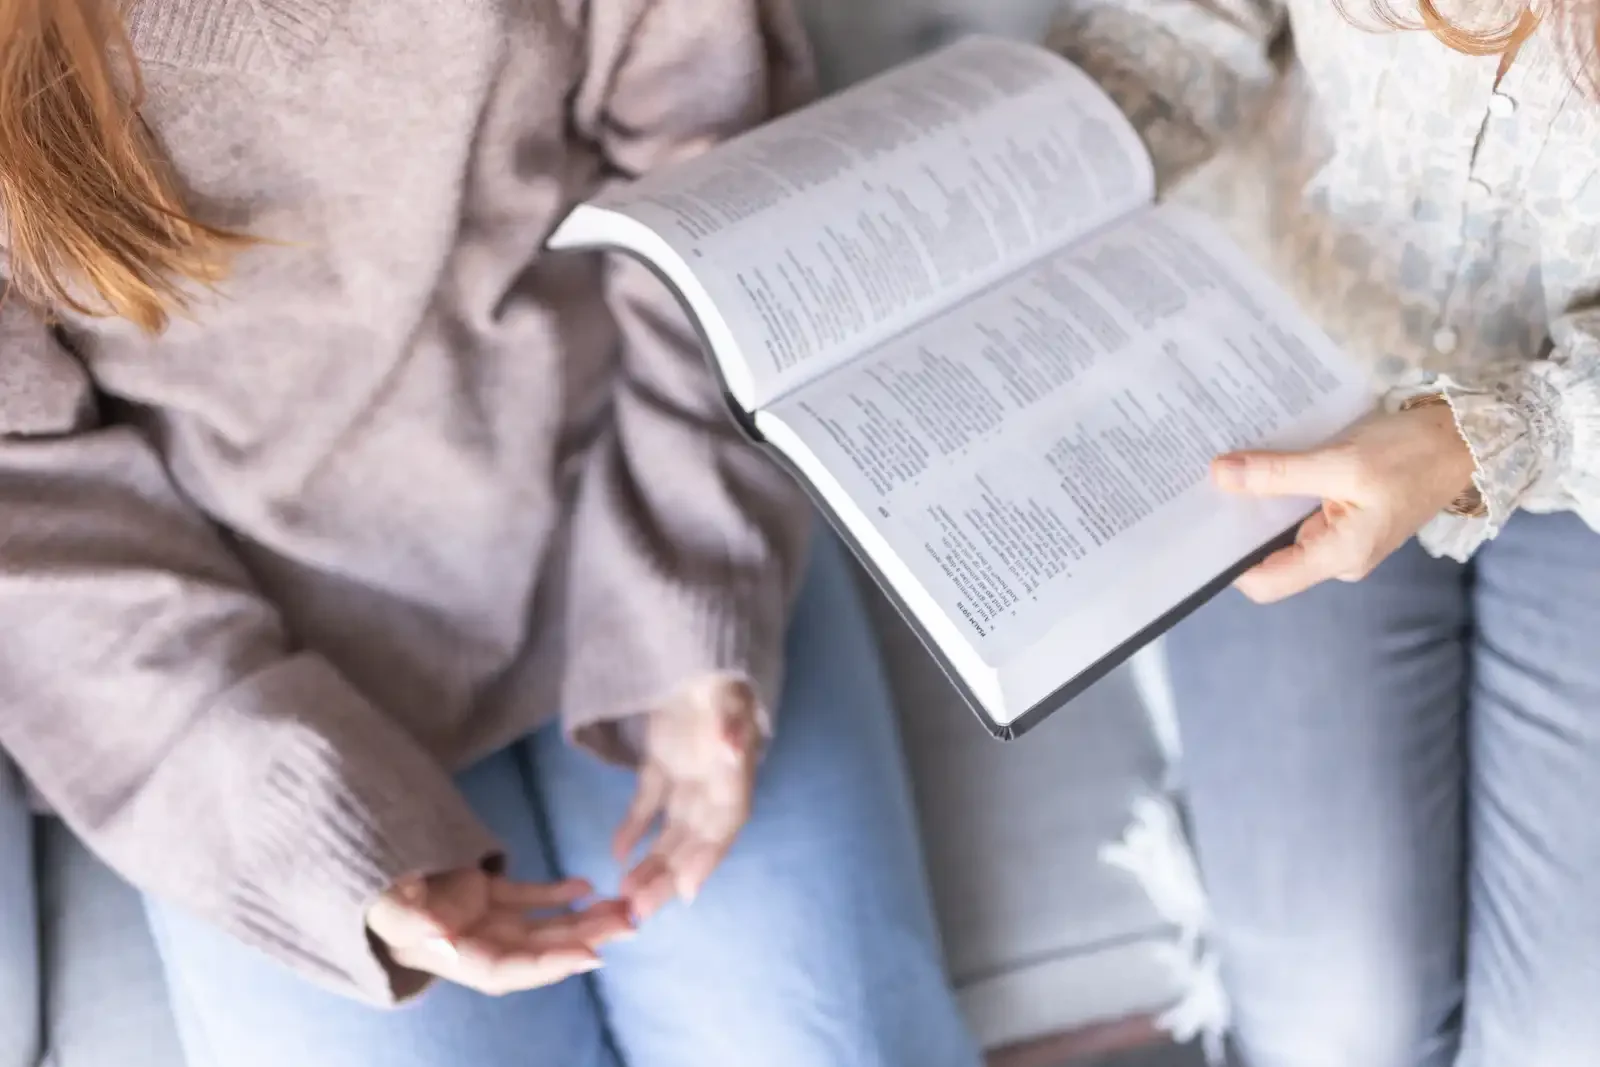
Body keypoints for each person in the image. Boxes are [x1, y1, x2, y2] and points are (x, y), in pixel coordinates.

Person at [0, 2, 980, 1065]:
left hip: (643, 472)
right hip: (229, 667)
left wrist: (696, 595)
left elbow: (722, 174)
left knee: (822, 1041)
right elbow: (37, 525)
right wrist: (307, 832)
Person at [1045, 0, 1600, 1064]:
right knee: (1330, 1020)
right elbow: (1170, 28)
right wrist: (1035, 186)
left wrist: (1470, 442)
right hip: (1291, 353)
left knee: (1565, 1037)